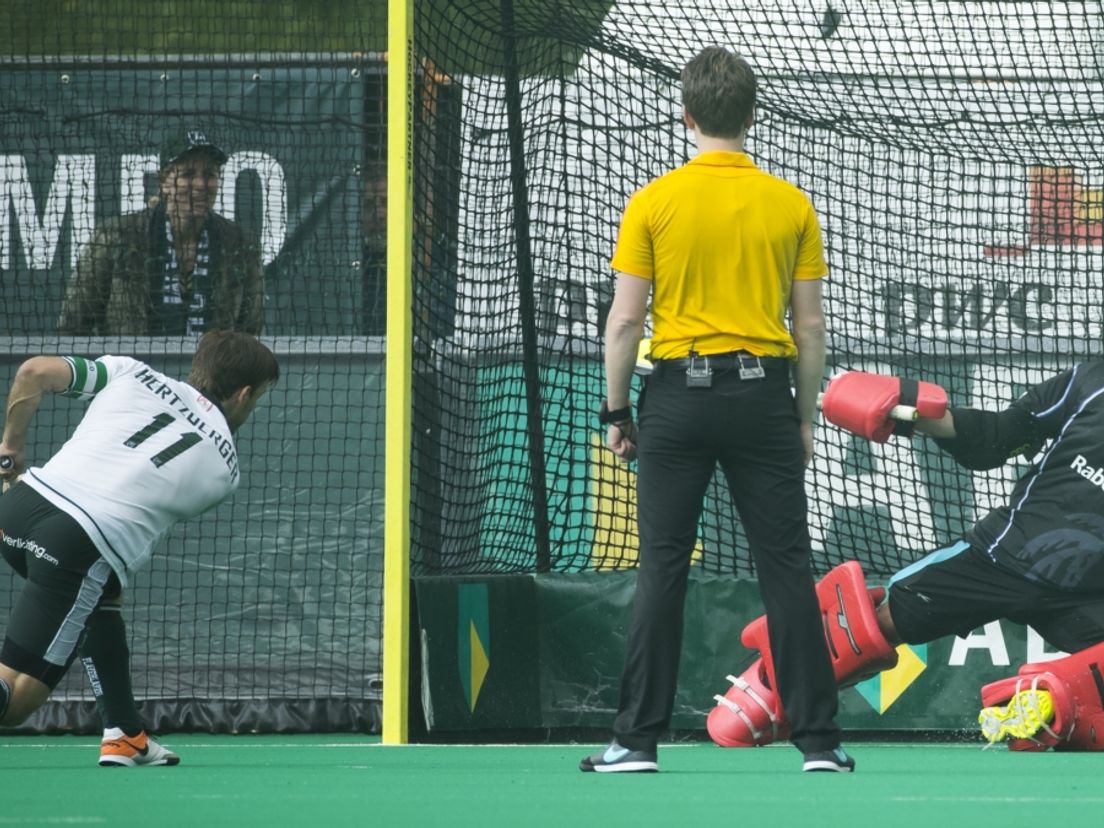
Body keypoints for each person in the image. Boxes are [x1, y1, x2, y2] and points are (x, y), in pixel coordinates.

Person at [581, 46, 851, 774]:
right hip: (764, 395)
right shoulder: (790, 203)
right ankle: (819, 744)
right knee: (787, 569)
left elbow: (623, 325)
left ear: (687, 114)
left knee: (662, 568)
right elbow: (812, 328)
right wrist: (801, 419)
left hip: (677, 397)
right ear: (753, 116)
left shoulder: (654, 201)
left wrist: (616, 414)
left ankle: (636, 742)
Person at [722, 367, 1104, 752]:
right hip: (1000, 558)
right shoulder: (1089, 382)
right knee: (863, 632)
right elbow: (997, 439)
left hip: (1089, 594)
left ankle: (1050, 707)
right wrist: (912, 414)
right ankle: (768, 689)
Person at [0, 331, 278, 765]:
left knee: (104, 593)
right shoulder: (226, 470)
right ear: (243, 395)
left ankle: (125, 734)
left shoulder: (130, 372)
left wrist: (10, 448)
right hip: (74, 545)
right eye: (259, 397)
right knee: (15, 702)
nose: (254, 406)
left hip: (18, 508)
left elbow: (34, 372)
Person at [57, 130, 264, 336]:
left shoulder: (240, 245)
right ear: (164, 180)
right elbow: (72, 327)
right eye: (188, 174)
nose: (200, 185)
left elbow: (251, 333)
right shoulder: (115, 238)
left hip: (214, 367)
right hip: (133, 368)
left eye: (209, 175)